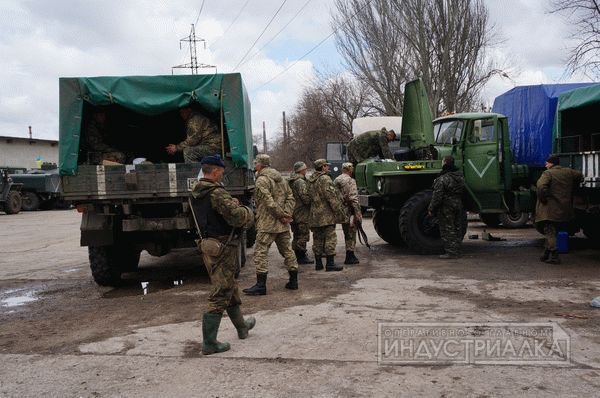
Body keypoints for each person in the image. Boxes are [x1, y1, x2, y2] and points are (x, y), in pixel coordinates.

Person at [190, 154, 256, 355]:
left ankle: (242, 326)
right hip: (223, 246)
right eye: (222, 171)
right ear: (216, 171)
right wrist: (247, 210)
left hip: (208, 244)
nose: (223, 174)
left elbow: (213, 213)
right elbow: (237, 219)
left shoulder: (196, 192)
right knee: (221, 291)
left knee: (230, 286)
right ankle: (209, 343)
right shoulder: (217, 193)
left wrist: (230, 204)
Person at [243, 154, 298, 295]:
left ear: (261, 165)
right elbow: (291, 198)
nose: (254, 166)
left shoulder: (261, 180)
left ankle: (261, 286)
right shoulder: (281, 179)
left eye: (256, 163)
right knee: (288, 251)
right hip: (282, 224)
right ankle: (294, 281)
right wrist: (286, 214)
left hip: (267, 224)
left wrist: (281, 215)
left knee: (260, 253)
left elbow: (269, 203)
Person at [535, 154, 583, 264]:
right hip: (564, 209)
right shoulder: (568, 172)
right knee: (553, 232)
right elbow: (580, 176)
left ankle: (554, 255)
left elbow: (541, 187)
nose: (545, 164)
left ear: (552, 163)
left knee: (549, 231)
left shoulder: (548, 173)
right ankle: (545, 254)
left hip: (549, 209)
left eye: (547, 162)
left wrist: (543, 199)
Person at [308, 159, 347, 271]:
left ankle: (318, 263)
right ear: (322, 167)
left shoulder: (310, 179)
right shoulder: (325, 178)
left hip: (314, 214)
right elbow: (331, 197)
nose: (328, 167)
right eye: (326, 166)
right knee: (330, 238)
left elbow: (307, 196)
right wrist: (339, 211)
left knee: (317, 239)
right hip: (326, 215)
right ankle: (330, 264)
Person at [427, 156, 465, 259]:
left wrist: (431, 208)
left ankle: (451, 252)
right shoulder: (460, 176)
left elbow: (437, 196)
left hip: (446, 206)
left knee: (448, 229)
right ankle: (458, 250)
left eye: (442, 162)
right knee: (457, 228)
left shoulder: (442, 178)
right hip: (458, 203)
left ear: (445, 163)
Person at [334, 162, 361, 265]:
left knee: (345, 232)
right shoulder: (350, 180)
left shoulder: (337, 179)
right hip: (349, 210)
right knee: (351, 232)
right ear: (350, 170)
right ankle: (350, 256)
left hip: (339, 210)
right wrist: (357, 213)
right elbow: (353, 198)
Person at [288, 161, 313, 265]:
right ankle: (301, 256)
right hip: (301, 212)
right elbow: (305, 197)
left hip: (295, 211)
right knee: (303, 235)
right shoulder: (300, 181)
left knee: (297, 234)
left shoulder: (293, 180)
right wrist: (312, 201)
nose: (306, 170)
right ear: (301, 170)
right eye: (305, 169)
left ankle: (297, 255)